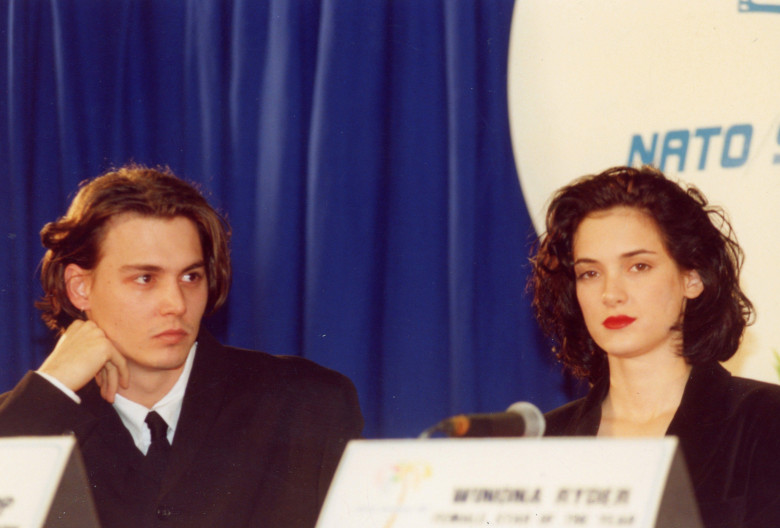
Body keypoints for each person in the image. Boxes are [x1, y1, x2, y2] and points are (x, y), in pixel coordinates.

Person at [0, 165, 363, 528]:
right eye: (145, 278)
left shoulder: (307, 402)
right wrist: (52, 385)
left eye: (191, 276)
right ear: (80, 287)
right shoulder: (33, 415)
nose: (176, 303)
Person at [531, 165, 780, 527]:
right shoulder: (545, 441)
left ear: (691, 278)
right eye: (590, 273)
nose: (611, 294)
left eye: (639, 266)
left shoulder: (765, 420)